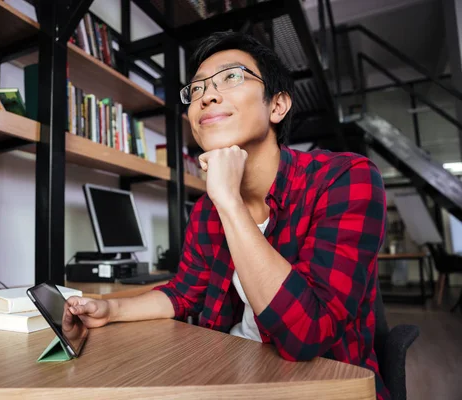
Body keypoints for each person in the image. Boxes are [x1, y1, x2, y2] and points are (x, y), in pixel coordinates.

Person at [66, 31, 389, 400]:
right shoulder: (207, 209)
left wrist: (229, 202)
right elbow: (184, 293)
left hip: (321, 385)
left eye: (232, 77)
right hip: (234, 369)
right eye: (197, 89)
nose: (207, 95)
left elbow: (307, 335)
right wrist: (111, 309)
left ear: (278, 105)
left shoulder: (346, 178)